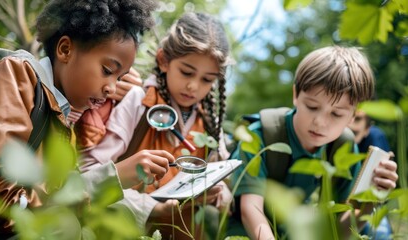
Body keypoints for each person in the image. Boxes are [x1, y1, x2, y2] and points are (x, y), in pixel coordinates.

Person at [0, 0, 174, 237]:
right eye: (107, 71)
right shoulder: (13, 76)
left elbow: (62, 199)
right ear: (65, 50)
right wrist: (116, 175)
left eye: (120, 78)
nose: (112, 88)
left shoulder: (62, 121)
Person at [78, 12, 233, 239]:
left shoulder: (211, 124)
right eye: (186, 72)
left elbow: (223, 183)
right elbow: (92, 172)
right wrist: (152, 209)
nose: (193, 86)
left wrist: (220, 195)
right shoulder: (137, 102)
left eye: (207, 79)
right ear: (163, 60)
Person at [226, 46, 399, 239]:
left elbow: (340, 232)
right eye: (312, 106)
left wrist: (370, 201)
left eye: (336, 114)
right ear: (295, 95)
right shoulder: (259, 135)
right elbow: (250, 210)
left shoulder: (344, 146)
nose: (320, 122)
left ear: (353, 115)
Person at [348, 109, 393, 239]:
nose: (350, 124)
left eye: (357, 119)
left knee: (378, 232)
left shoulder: (375, 138)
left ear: (367, 127)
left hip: (364, 204)